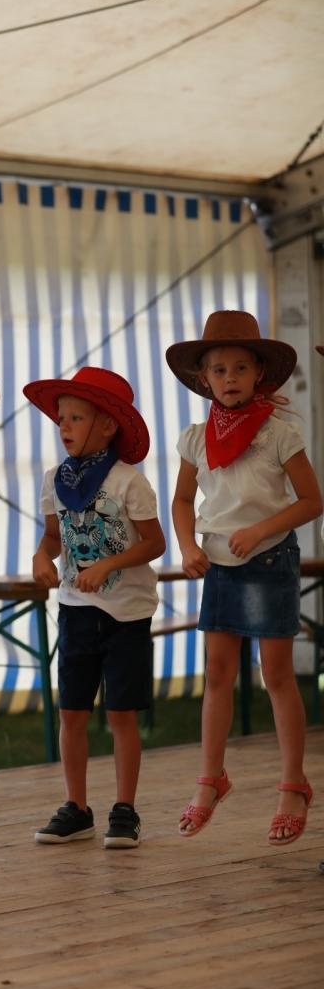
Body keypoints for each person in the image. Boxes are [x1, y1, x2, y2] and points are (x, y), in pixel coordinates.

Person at [166, 310, 323, 844]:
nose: (229, 378)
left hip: (270, 560)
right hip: (219, 563)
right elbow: (182, 500)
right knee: (216, 674)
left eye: (240, 368)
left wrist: (260, 530)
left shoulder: (280, 434)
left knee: (276, 675)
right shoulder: (195, 438)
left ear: (259, 374)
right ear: (203, 379)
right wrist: (188, 546)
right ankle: (210, 778)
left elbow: (311, 501)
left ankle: (293, 784)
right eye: (219, 369)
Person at [24, 367, 165, 849]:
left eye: (76, 417)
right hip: (76, 609)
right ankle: (76, 807)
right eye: (61, 418)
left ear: (107, 426)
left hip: (127, 613)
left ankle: (125, 809)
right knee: (72, 711)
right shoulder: (53, 480)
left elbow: (154, 543)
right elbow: (52, 536)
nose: (64, 426)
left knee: (121, 714)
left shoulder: (129, 482)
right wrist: (41, 557)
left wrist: (108, 565)